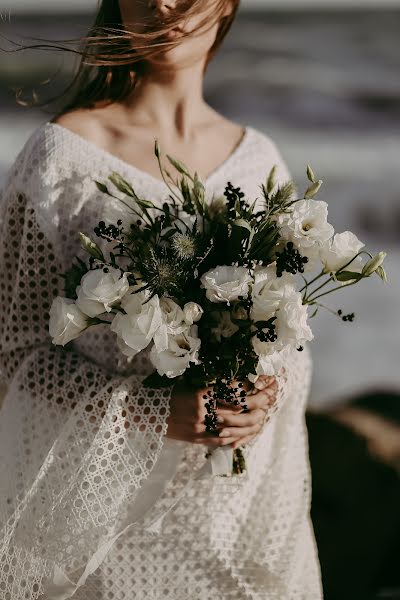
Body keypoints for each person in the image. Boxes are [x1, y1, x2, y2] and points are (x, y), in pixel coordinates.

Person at [0, 1, 323, 598]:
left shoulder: (260, 162)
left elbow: (288, 335)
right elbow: (10, 356)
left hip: (226, 521)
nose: (162, 3)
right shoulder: (61, 160)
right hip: (97, 530)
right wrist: (153, 410)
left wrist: (267, 394)